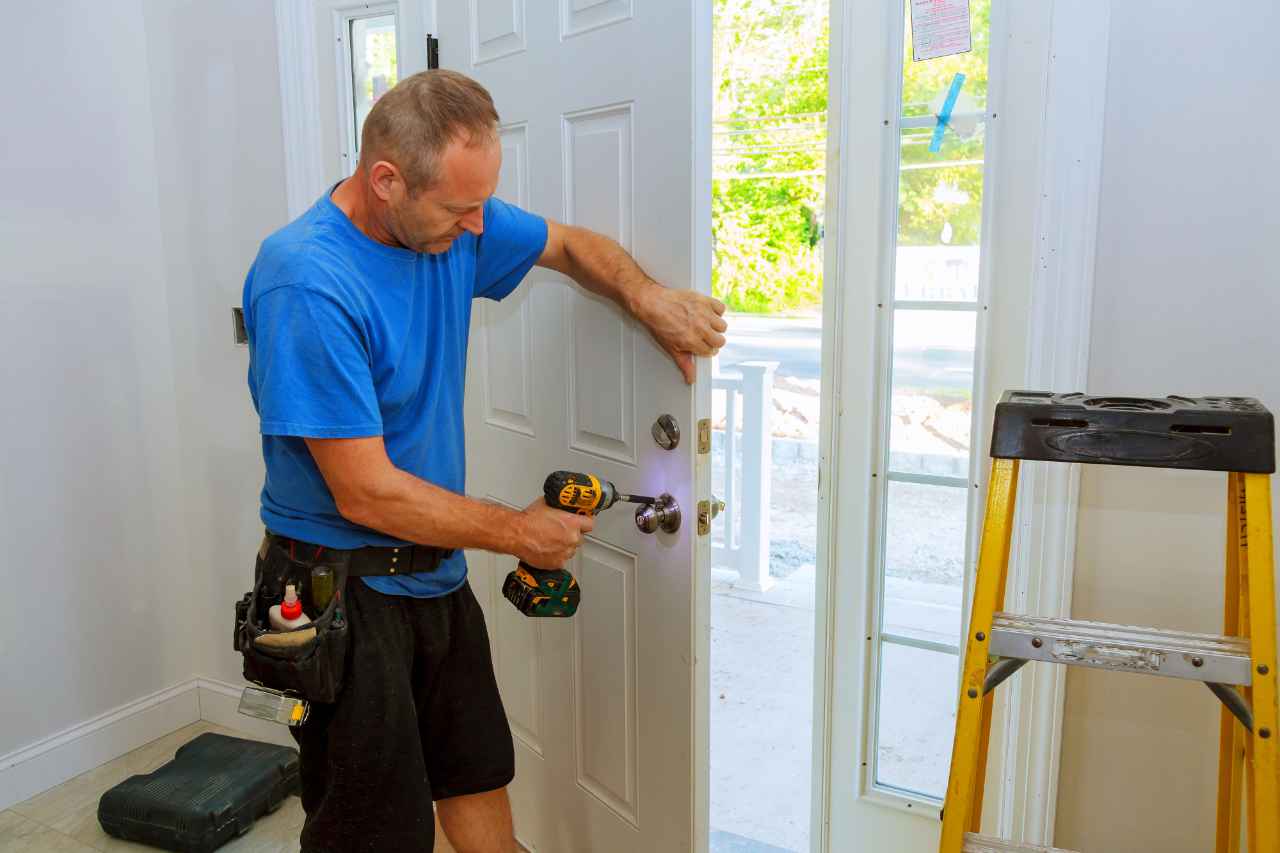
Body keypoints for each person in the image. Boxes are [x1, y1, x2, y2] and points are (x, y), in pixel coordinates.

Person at [241, 69, 726, 853]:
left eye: (483, 204)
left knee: (473, 772)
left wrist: (648, 298)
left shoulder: (449, 225)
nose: (477, 228)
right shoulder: (305, 280)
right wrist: (519, 533)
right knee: (376, 828)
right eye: (460, 209)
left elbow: (568, 245)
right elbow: (365, 491)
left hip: (433, 574)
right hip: (340, 592)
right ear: (386, 180)